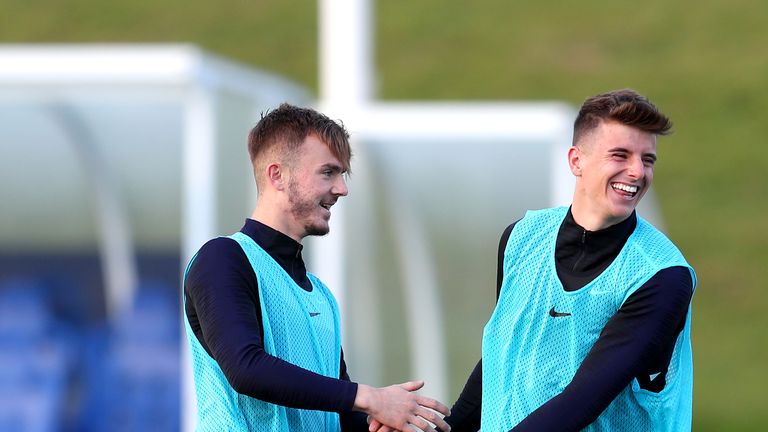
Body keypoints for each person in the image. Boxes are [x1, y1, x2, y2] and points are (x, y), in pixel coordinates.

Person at [370, 89, 695, 432]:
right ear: (576, 161)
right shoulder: (520, 238)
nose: (636, 172)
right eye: (620, 155)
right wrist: (439, 429)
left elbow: (585, 399)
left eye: (647, 160)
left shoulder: (662, 276)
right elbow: (501, 359)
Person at [183, 103, 451, 432]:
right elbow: (245, 368)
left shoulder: (320, 295)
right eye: (328, 172)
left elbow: (337, 412)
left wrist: (383, 423)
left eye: (342, 174)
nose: (342, 188)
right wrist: (369, 397)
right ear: (277, 175)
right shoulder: (223, 258)